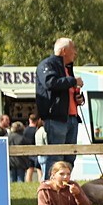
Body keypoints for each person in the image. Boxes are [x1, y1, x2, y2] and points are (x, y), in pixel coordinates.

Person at [36, 37, 85, 177]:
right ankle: (49, 188)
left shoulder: (67, 68)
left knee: (70, 157)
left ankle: (64, 187)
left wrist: (78, 98)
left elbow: (66, 91)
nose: (75, 52)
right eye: (73, 49)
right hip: (56, 119)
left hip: (72, 118)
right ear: (64, 51)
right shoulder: (47, 64)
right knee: (55, 158)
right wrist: (73, 81)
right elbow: (50, 82)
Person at [22, 114, 43, 182]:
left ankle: (28, 183)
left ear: (29, 120)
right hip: (36, 151)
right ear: (37, 120)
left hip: (28, 151)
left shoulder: (25, 130)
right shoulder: (37, 130)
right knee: (39, 169)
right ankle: (40, 182)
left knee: (29, 169)